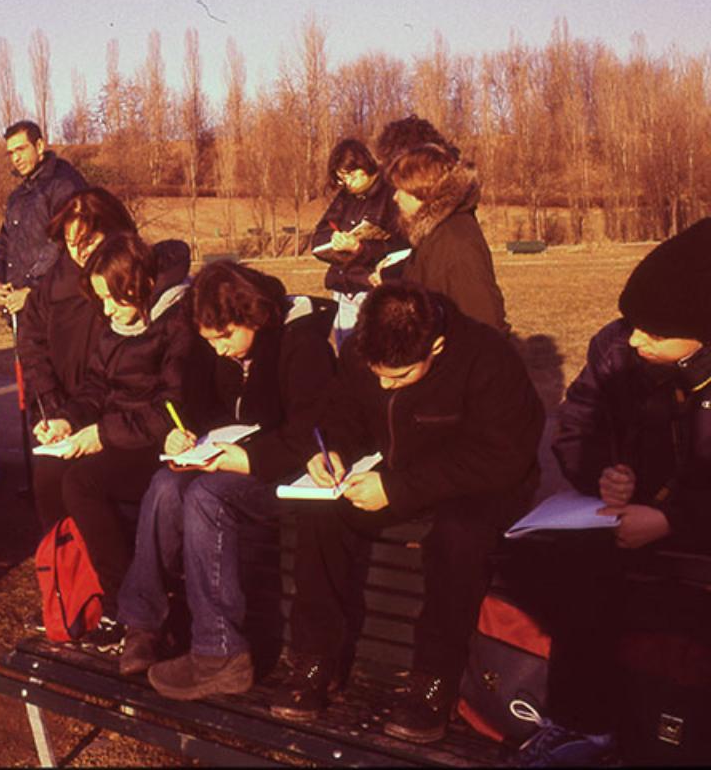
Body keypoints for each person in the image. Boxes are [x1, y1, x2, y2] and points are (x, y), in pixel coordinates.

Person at [268, 282, 543, 745]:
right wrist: (330, 449)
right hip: (390, 473)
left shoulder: (489, 358)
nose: (383, 384)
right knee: (322, 516)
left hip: (475, 483)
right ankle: (316, 659)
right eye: (377, 374)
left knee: (459, 538)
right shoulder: (364, 347)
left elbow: (506, 456)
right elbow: (340, 412)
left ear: (435, 344)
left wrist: (399, 489)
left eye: (399, 377)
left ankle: (433, 682)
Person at [506, 219, 711, 767]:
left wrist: (671, 520)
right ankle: (584, 722)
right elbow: (577, 427)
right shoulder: (617, 347)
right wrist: (601, 472)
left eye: (656, 331)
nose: (638, 338)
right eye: (634, 323)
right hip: (624, 517)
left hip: (690, 530)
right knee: (560, 563)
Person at [117, 261, 337, 700]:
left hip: (285, 471)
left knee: (205, 497)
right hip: (226, 457)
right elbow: (198, 406)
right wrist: (182, 434)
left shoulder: (301, 344)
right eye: (209, 340)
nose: (218, 349)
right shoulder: (214, 346)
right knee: (164, 484)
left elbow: (312, 428)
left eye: (225, 337)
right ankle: (143, 625)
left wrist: (250, 458)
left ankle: (221, 654)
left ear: (255, 315)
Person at [32, 233, 195, 652]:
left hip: (158, 441)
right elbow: (96, 388)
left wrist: (102, 435)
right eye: (101, 299)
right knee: (49, 470)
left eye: (113, 299)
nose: (106, 311)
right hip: (119, 433)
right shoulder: (116, 322)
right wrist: (66, 420)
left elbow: (170, 409)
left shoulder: (176, 324)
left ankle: (123, 602)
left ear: (139, 285)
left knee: (83, 482)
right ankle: (71, 584)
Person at [17, 187, 137, 417]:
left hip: (122, 416)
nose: (80, 252)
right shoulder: (49, 289)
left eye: (89, 241)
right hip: (65, 412)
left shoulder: (137, 280)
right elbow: (32, 351)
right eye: (72, 243)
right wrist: (49, 403)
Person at [375, 143, 510, 334]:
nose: (395, 198)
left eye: (400, 190)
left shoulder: (456, 241)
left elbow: (484, 323)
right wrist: (391, 280)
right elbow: (427, 285)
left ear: (421, 191)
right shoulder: (434, 232)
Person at [310, 138, 406, 347]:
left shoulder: (393, 196)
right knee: (347, 358)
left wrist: (360, 248)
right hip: (344, 289)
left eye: (351, 176)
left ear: (365, 166)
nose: (347, 183)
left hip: (373, 290)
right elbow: (320, 234)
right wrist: (333, 240)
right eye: (341, 178)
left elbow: (403, 246)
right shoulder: (345, 197)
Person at [0, 120, 87, 316]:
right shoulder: (18, 196)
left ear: (39, 146)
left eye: (21, 149)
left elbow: (64, 244)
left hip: (59, 309)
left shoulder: (64, 185)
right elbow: (4, 242)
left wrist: (33, 289)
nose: (16, 158)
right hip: (22, 311)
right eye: (11, 153)